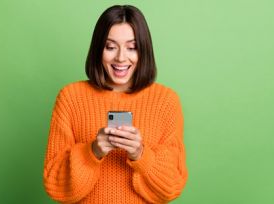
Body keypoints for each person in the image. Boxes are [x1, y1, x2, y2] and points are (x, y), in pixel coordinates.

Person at [43, 5, 188, 204]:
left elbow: (172, 186)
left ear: (143, 50)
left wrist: (140, 154)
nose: (121, 57)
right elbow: (55, 184)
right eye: (110, 47)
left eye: (132, 47)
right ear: (98, 49)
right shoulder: (70, 97)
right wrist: (93, 151)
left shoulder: (166, 101)